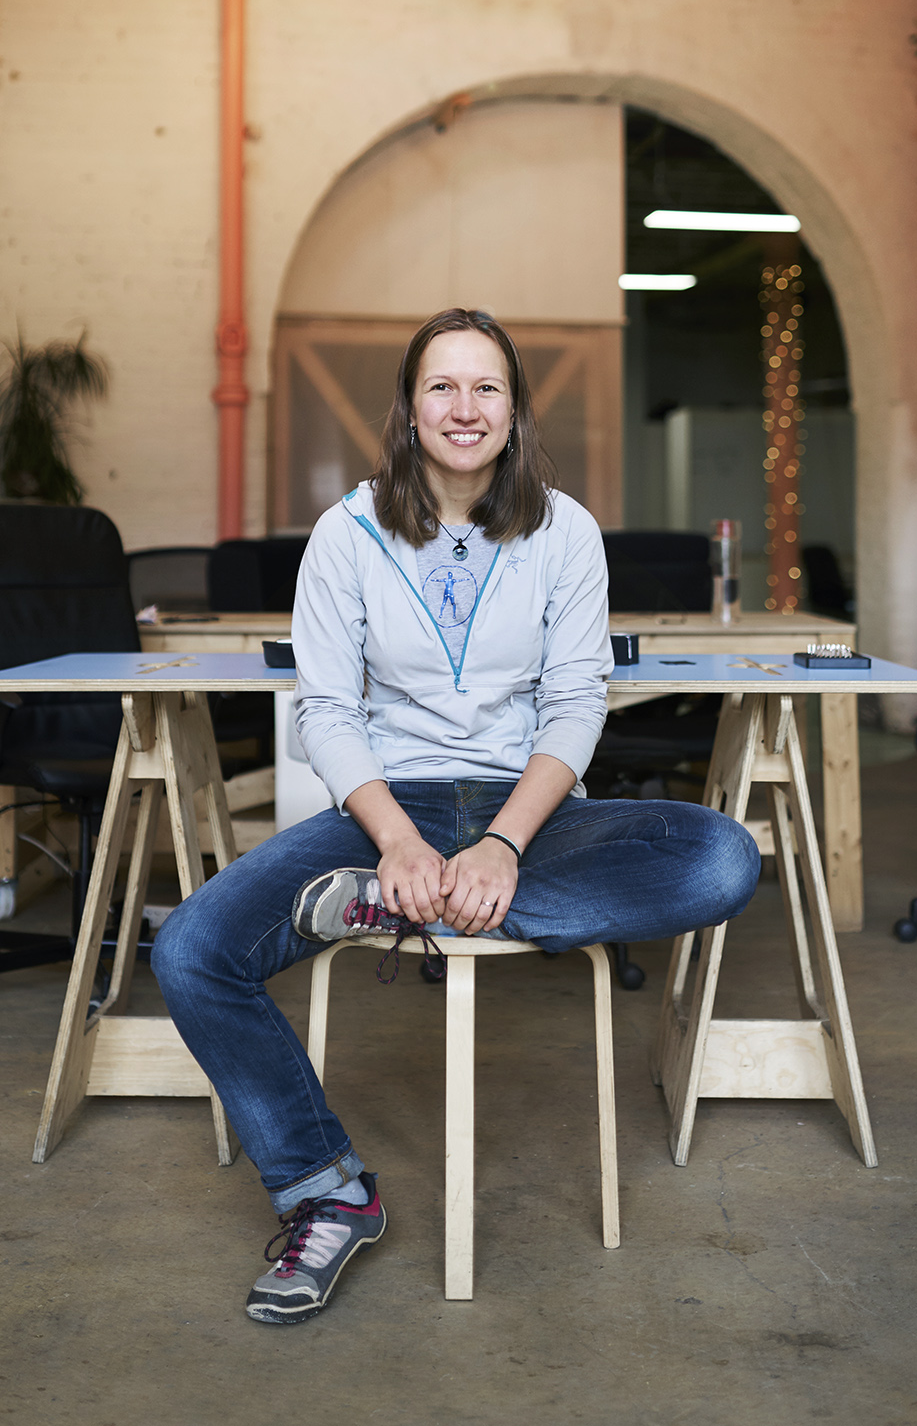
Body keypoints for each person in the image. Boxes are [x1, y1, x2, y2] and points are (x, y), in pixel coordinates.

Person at [153, 308, 761, 1326]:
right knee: (190, 949)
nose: (465, 407)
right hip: (388, 807)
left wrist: (503, 846)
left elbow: (574, 705)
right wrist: (397, 840)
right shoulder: (345, 535)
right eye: (443, 386)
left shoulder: (563, 531)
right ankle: (328, 1193)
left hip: (530, 808)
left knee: (721, 858)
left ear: (515, 411)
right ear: (408, 407)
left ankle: (397, 908)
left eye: (488, 387)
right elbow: (330, 712)